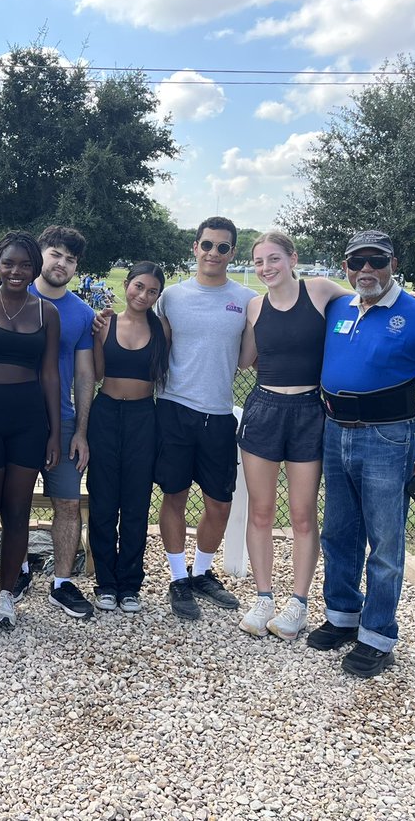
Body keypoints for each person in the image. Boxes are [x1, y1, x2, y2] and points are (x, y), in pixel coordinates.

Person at [307, 230, 415, 678]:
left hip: (388, 437)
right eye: (357, 262)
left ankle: (377, 636)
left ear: (392, 262)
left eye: (376, 260)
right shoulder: (338, 308)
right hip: (336, 431)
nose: (366, 270)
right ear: (346, 267)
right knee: (339, 532)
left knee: (385, 542)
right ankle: (343, 616)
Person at [235, 231, 349, 640]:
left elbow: (364, 299)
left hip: (308, 411)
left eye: (273, 259)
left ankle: (298, 603)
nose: (266, 268)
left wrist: (413, 301)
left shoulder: (319, 291)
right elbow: (247, 359)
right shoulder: (253, 306)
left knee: (303, 514)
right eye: (259, 261)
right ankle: (263, 595)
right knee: (261, 511)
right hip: (264, 410)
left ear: (292, 258)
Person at [154, 217, 255, 621]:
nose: (214, 253)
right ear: (195, 247)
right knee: (174, 495)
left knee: (220, 503)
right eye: (207, 245)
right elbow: (154, 348)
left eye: (223, 247)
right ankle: (178, 579)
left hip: (218, 413)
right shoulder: (172, 298)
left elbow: (252, 355)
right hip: (174, 410)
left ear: (233, 253)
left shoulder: (247, 299)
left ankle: (202, 572)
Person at [0, 231, 60, 633]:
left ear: (34, 268)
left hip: (29, 419)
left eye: (24, 264)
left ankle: (6, 596)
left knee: (17, 511)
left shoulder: (45, 313)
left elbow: (50, 374)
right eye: (8, 263)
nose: (16, 271)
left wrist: (54, 432)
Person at [21, 225, 96, 619]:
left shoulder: (82, 313)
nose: (61, 263)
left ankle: (62, 583)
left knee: (67, 504)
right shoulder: (11, 297)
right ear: (40, 254)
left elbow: (85, 376)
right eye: (56, 254)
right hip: (14, 417)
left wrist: (81, 430)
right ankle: (15, 573)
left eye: (70, 259)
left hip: (62, 422)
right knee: (11, 501)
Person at [87, 262, 170, 613]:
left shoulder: (163, 327)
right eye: (138, 287)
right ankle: (106, 582)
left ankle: (130, 583)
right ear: (126, 285)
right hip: (106, 413)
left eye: (152, 291)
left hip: (143, 417)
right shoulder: (105, 323)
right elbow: (96, 373)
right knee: (103, 501)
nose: (143, 295)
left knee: (136, 503)